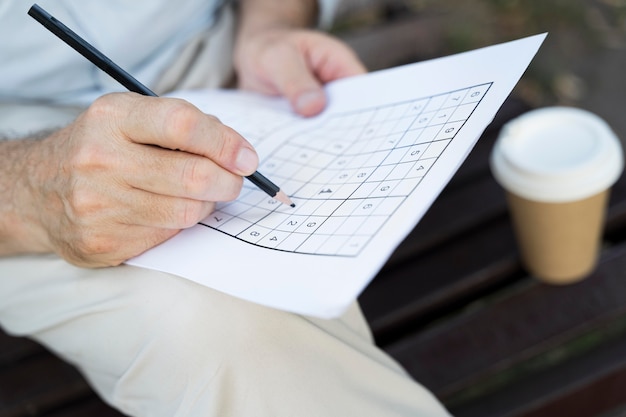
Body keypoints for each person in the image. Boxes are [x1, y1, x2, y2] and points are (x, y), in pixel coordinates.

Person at [0, 1, 452, 416]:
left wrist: (271, 25)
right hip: (22, 153)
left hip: (230, 62)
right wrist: (31, 189)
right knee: (222, 338)